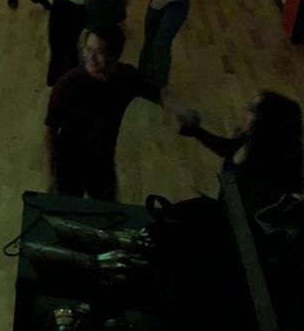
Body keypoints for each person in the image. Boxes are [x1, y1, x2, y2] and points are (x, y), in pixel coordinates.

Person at [44, 25, 194, 200]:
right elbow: (49, 130)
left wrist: (180, 110)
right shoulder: (67, 85)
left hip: (102, 163)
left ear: (115, 55)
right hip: (69, 164)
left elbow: (159, 93)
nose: (91, 58)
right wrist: (50, 175)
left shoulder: (125, 78)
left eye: (99, 52)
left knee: (106, 211)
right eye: (88, 50)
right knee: (68, 209)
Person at [178, 92, 304, 218]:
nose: (244, 110)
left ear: (266, 123)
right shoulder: (251, 140)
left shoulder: (266, 179)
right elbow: (229, 148)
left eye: (252, 110)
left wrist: (202, 205)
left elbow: (240, 221)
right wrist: (197, 132)